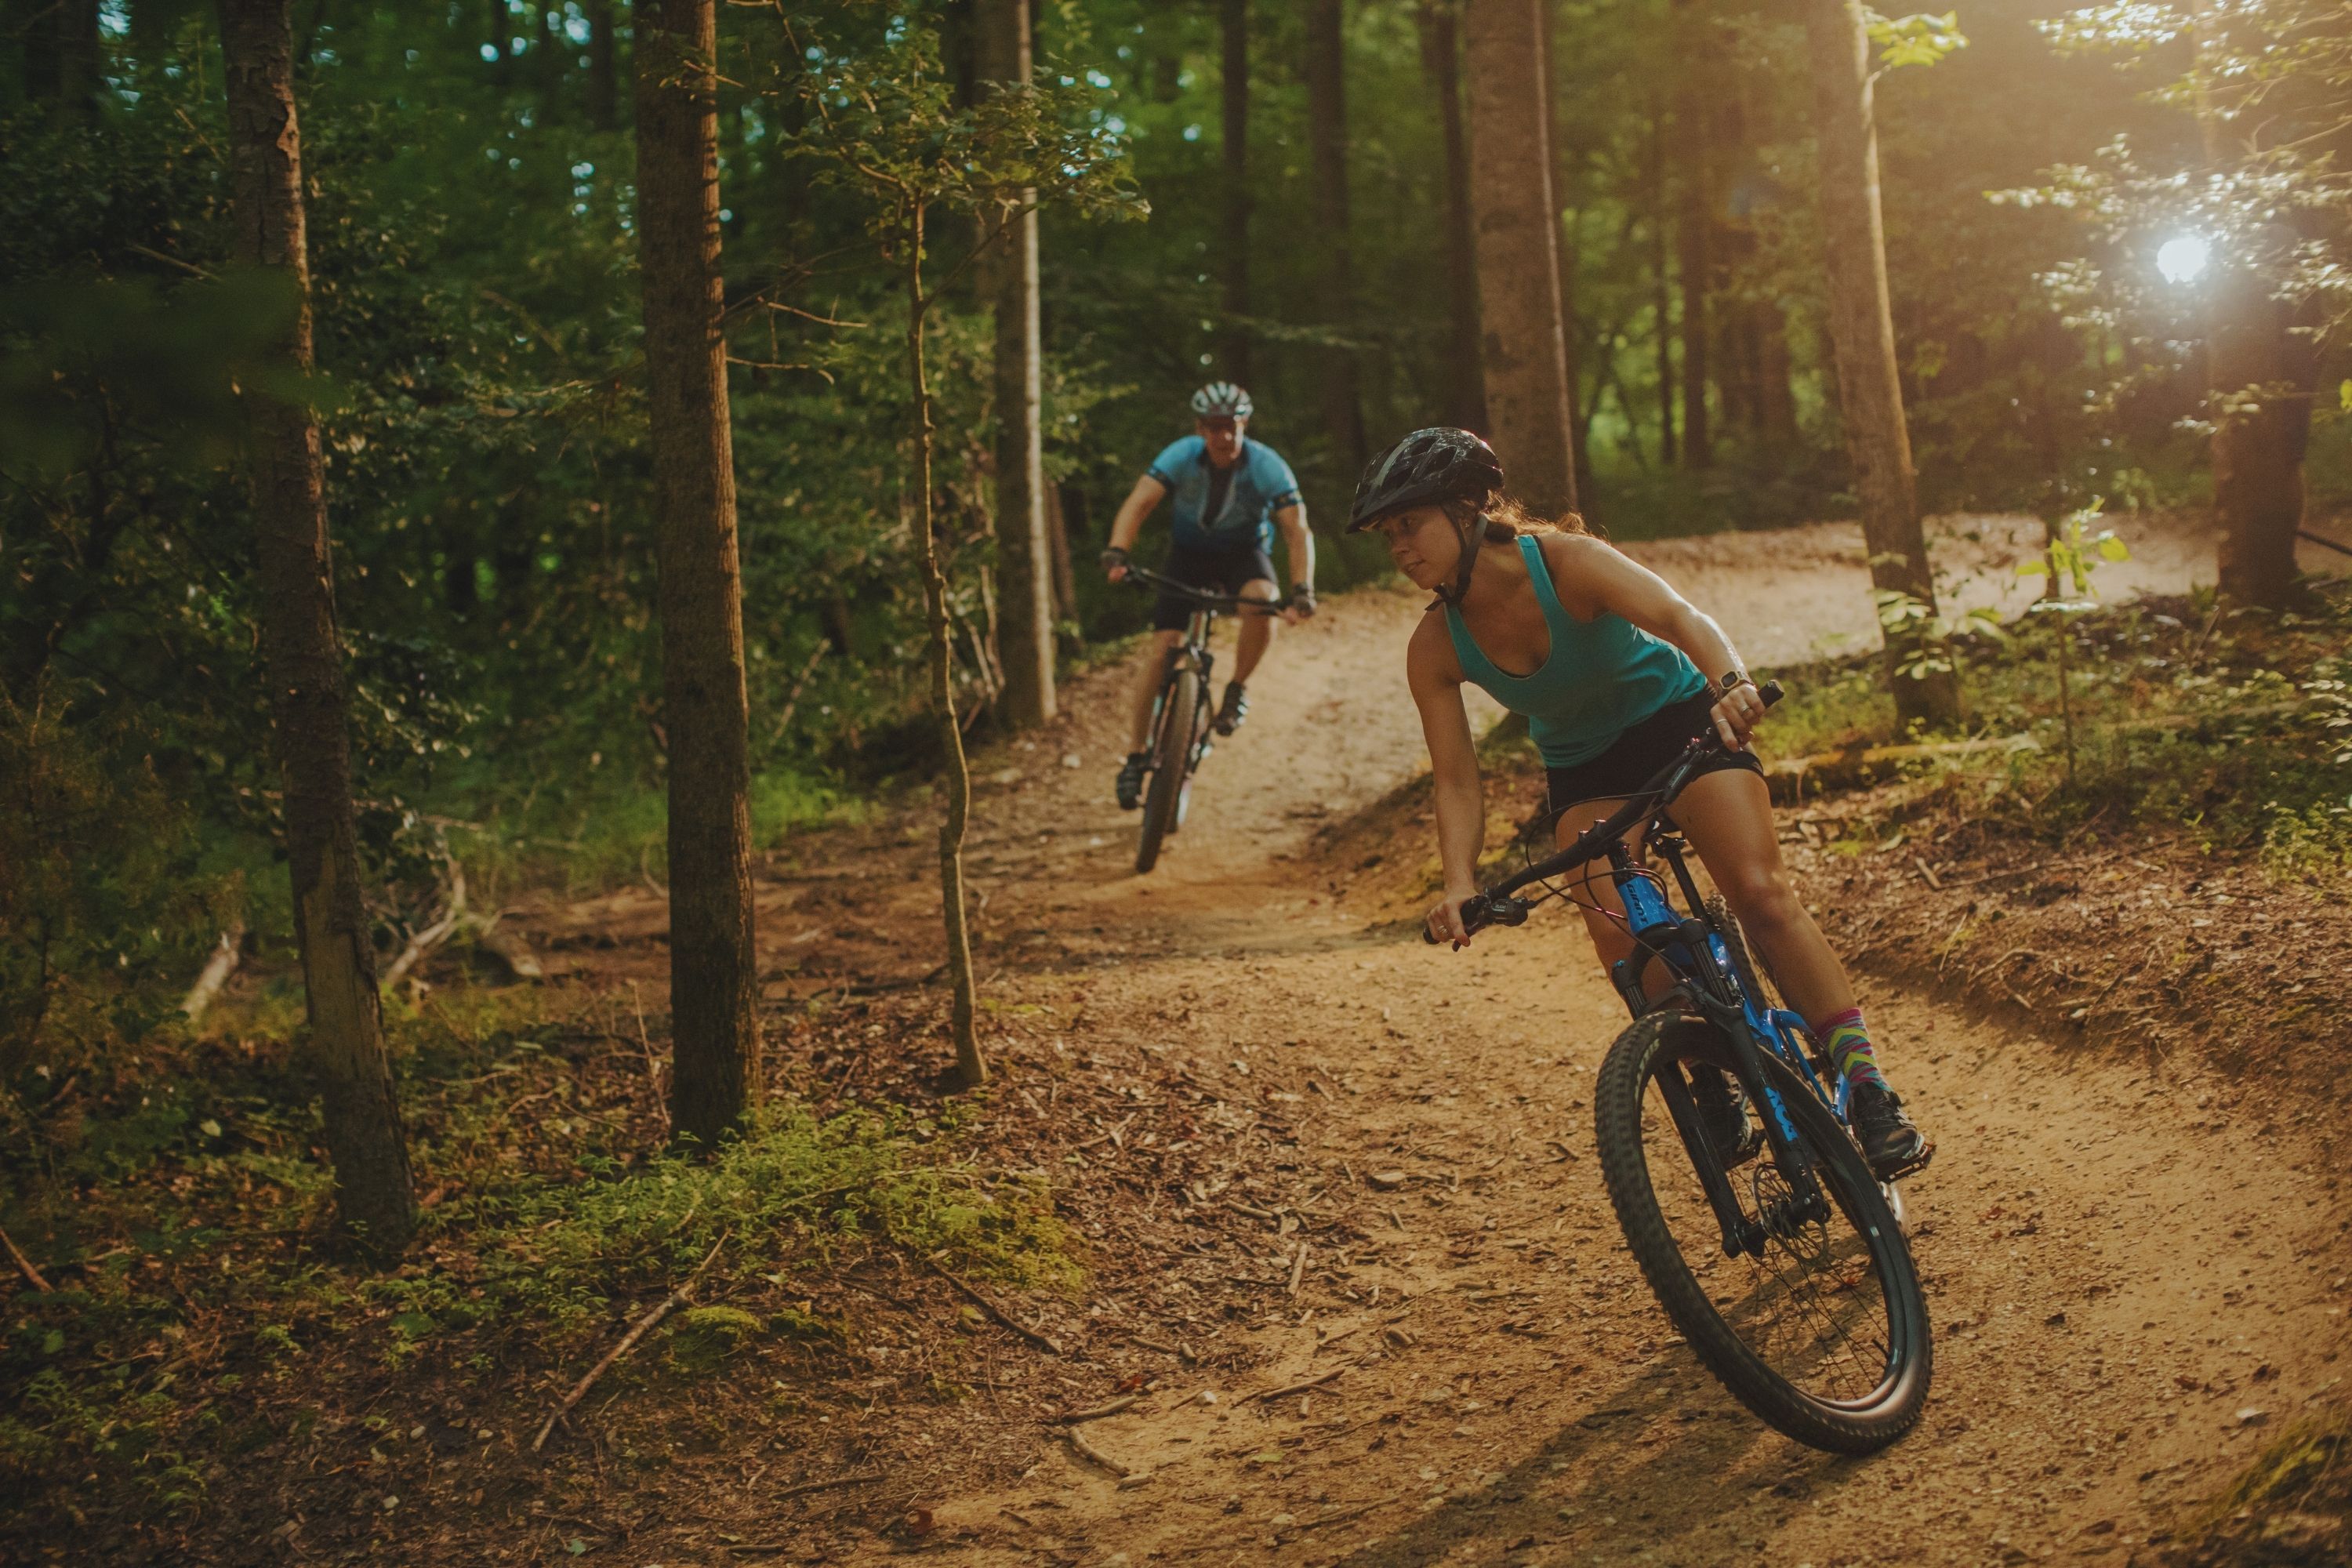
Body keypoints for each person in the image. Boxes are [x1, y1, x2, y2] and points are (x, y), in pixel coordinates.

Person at [1349, 427, 1933, 1181]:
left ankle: (1867, 1087)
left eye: (1409, 524)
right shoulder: (1434, 646)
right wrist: (1459, 880)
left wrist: (1732, 686)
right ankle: (1707, 1067)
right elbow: (1457, 778)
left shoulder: (1567, 563)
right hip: (1585, 770)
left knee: (1759, 895)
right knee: (1621, 938)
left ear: (1466, 508)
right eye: (1386, 535)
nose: (1398, 548)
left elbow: (1683, 620)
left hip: (1681, 726)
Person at [1101, 383, 1317, 810]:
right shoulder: (1181, 455)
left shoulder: (1267, 465)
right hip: (1188, 556)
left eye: (1233, 427)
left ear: (1244, 425)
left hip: (1243, 555)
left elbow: (1296, 529)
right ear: (1201, 429)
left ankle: (1237, 687)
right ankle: (1135, 754)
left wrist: (1302, 589)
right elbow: (1140, 502)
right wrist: (1118, 551)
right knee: (1163, 648)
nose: (1225, 437)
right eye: (1216, 428)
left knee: (1262, 598)